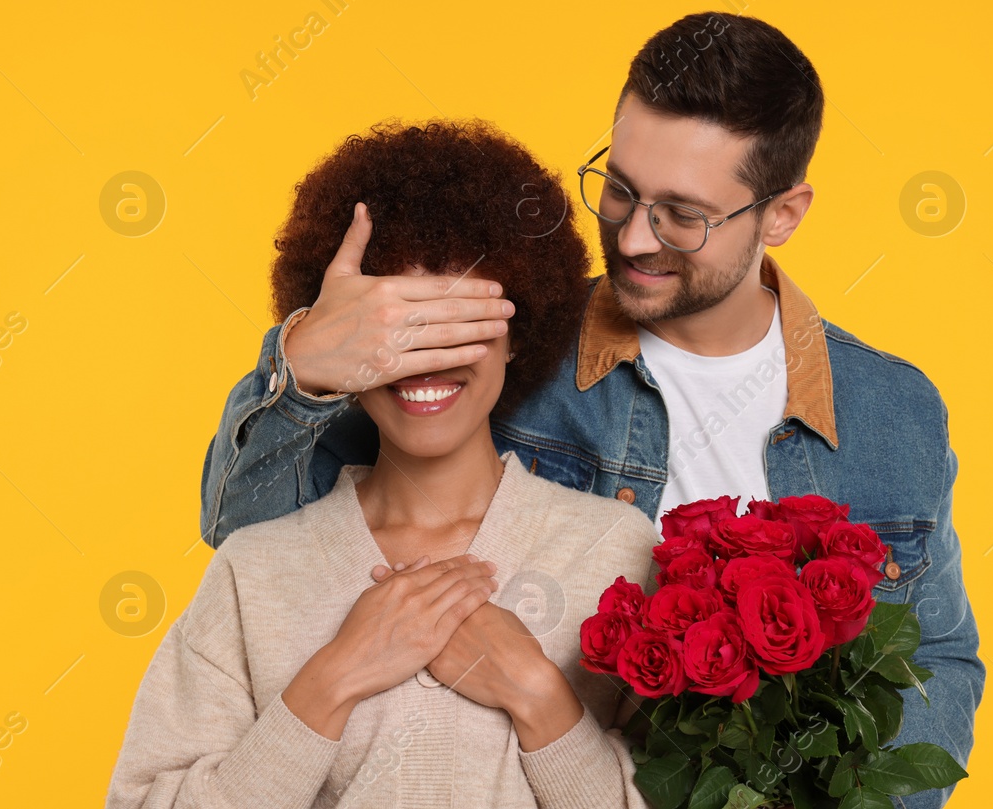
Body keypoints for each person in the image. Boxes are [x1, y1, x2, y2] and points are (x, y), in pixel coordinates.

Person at [198, 13, 982, 809]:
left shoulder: (895, 410)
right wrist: (298, 369)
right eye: (620, 189)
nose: (635, 237)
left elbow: (936, 655)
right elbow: (260, 541)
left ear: (781, 213)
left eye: (683, 214)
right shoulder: (502, 346)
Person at [108, 120, 659, 808]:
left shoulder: (621, 552)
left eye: (459, 317)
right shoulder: (253, 570)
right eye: (396, 322)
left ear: (518, 333)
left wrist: (542, 698)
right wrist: (333, 677)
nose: (425, 356)